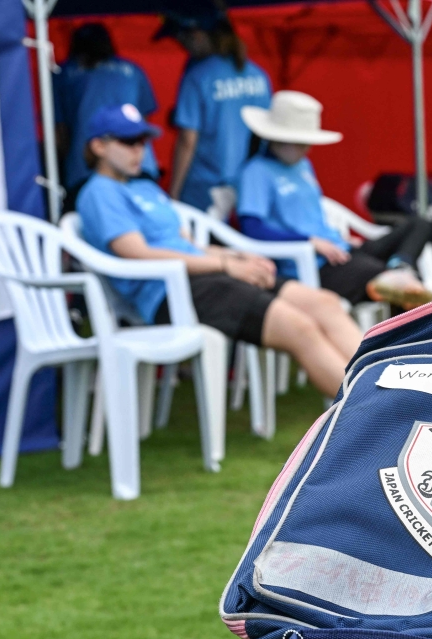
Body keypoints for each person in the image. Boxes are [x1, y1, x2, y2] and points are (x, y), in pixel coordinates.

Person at [75, 104, 362, 397]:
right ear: (98, 146)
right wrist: (225, 266)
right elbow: (138, 253)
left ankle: (389, 395)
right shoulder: (99, 192)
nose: (139, 150)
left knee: (325, 304)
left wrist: (235, 257)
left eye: (142, 141)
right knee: (299, 328)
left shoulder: (146, 188)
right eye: (128, 141)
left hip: (203, 278)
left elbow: (191, 246)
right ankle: (373, 416)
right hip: (169, 293)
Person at [237, 91, 432, 308]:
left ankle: (400, 268)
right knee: (388, 282)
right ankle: (400, 287)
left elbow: (310, 214)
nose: (308, 148)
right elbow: (252, 229)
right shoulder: (256, 172)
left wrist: (335, 236)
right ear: (277, 137)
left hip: (341, 250)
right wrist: (309, 241)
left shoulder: (303, 165)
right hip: (313, 266)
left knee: (420, 224)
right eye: (301, 142)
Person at [154, 12, 271, 211]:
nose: (182, 47)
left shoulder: (198, 76)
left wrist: (174, 192)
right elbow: (266, 132)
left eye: (181, 39)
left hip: (203, 185)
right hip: (247, 182)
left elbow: (187, 141)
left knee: (200, 240)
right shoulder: (257, 74)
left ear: (197, 35)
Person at [54, 23, 161, 189]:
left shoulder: (63, 74)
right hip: (139, 166)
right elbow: (142, 124)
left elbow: (59, 135)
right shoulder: (133, 70)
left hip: (84, 168)